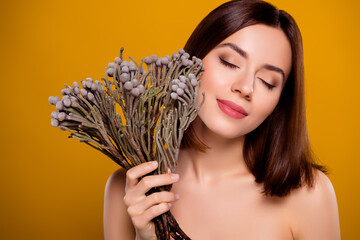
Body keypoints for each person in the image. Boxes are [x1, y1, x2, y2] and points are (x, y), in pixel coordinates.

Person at [103, 0, 341, 239]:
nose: (245, 88)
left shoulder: (309, 194)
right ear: (192, 62)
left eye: (268, 81)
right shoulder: (131, 189)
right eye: (230, 62)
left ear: (279, 101)